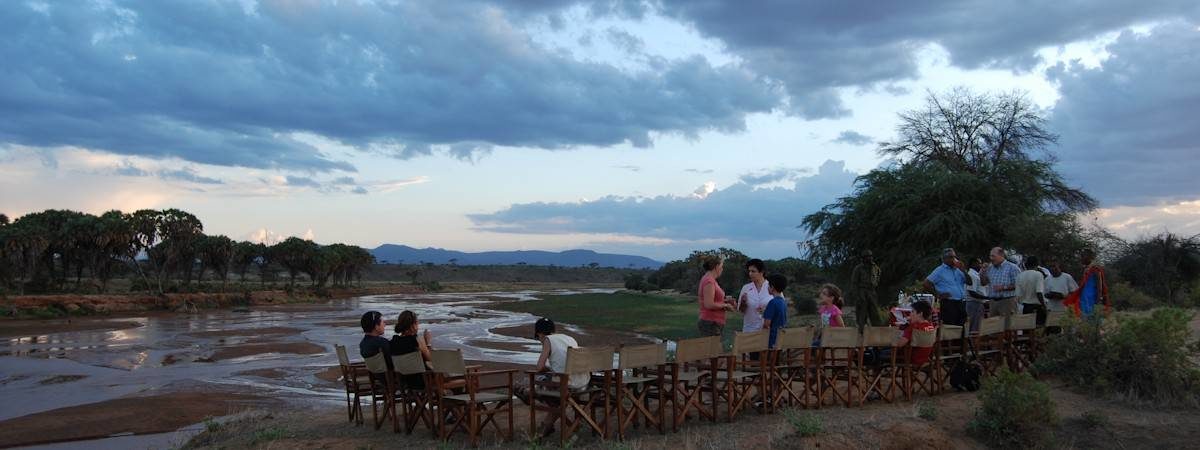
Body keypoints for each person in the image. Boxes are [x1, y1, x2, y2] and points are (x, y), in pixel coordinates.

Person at [521, 317, 588, 437]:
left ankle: (543, 428)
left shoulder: (547, 340)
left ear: (539, 333)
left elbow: (539, 367)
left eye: (538, 337)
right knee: (557, 398)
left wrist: (548, 368)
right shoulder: (570, 338)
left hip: (567, 385)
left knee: (523, 388)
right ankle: (547, 426)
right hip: (583, 383)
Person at [923, 248, 968, 326]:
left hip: (961, 303)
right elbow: (926, 283)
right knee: (950, 327)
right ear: (944, 259)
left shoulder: (958, 270)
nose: (954, 259)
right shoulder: (939, 270)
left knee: (962, 326)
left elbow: (969, 282)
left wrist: (963, 270)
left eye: (954, 257)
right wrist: (937, 294)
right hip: (949, 303)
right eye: (951, 257)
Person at [389, 310, 432, 389]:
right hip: (423, 381)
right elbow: (430, 359)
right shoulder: (417, 340)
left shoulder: (393, 342)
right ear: (413, 324)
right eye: (417, 323)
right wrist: (428, 343)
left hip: (404, 381)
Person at [696, 255, 735, 337]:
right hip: (711, 322)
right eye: (722, 266)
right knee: (712, 349)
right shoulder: (709, 281)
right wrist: (726, 305)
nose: (722, 269)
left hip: (713, 322)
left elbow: (713, 300)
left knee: (714, 348)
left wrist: (724, 300)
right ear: (716, 267)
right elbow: (709, 304)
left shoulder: (710, 280)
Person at [1064, 248, 1110, 317]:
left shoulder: (1096, 269)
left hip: (1092, 299)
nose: (1081, 258)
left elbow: (1099, 286)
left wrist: (1098, 300)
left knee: (1092, 320)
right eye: (1081, 256)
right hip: (1084, 299)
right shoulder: (1087, 269)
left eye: (1083, 256)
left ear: (1090, 257)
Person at [980, 247, 1021, 317]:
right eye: (990, 256)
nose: (991, 258)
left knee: (1008, 326)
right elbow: (983, 283)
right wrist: (983, 273)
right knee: (994, 326)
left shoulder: (1012, 268)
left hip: (1007, 302)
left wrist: (1003, 287)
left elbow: (1018, 285)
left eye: (993, 256)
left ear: (1001, 255)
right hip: (993, 302)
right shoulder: (990, 268)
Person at [895, 301, 937, 367]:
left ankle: (876, 375)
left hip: (909, 359)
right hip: (925, 359)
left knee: (878, 353)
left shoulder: (914, 327)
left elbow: (899, 344)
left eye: (912, 311)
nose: (910, 314)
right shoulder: (931, 327)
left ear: (920, 313)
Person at [850, 250, 884, 330]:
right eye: (867, 256)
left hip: (872, 292)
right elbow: (854, 283)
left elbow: (878, 277)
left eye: (870, 256)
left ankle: (878, 332)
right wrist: (857, 295)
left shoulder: (875, 268)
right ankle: (861, 332)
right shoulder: (858, 268)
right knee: (862, 315)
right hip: (862, 292)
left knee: (875, 313)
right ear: (863, 258)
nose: (869, 258)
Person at [738, 259, 772, 334]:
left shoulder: (772, 286)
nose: (750, 274)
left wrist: (767, 310)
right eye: (749, 271)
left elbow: (780, 306)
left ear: (762, 272)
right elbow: (741, 311)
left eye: (753, 271)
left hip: (768, 330)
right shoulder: (746, 288)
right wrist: (743, 303)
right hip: (749, 329)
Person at [1015, 256, 1047, 325]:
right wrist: (1044, 306)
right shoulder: (1038, 275)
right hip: (1037, 308)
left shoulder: (1019, 276)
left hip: (1025, 308)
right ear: (1036, 264)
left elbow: (1017, 295)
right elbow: (1039, 292)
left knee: (1027, 330)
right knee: (1038, 330)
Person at [761, 274, 789, 349]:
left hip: (772, 340)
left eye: (768, 285)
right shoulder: (783, 302)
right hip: (781, 337)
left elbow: (767, 324)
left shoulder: (772, 303)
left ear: (772, 287)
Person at [964, 257, 988, 332]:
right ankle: (972, 342)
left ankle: (974, 341)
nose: (980, 265)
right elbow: (972, 292)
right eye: (979, 263)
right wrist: (987, 297)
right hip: (973, 303)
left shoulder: (976, 274)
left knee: (977, 325)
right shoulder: (972, 275)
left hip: (978, 303)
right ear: (973, 264)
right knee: (973, 326)